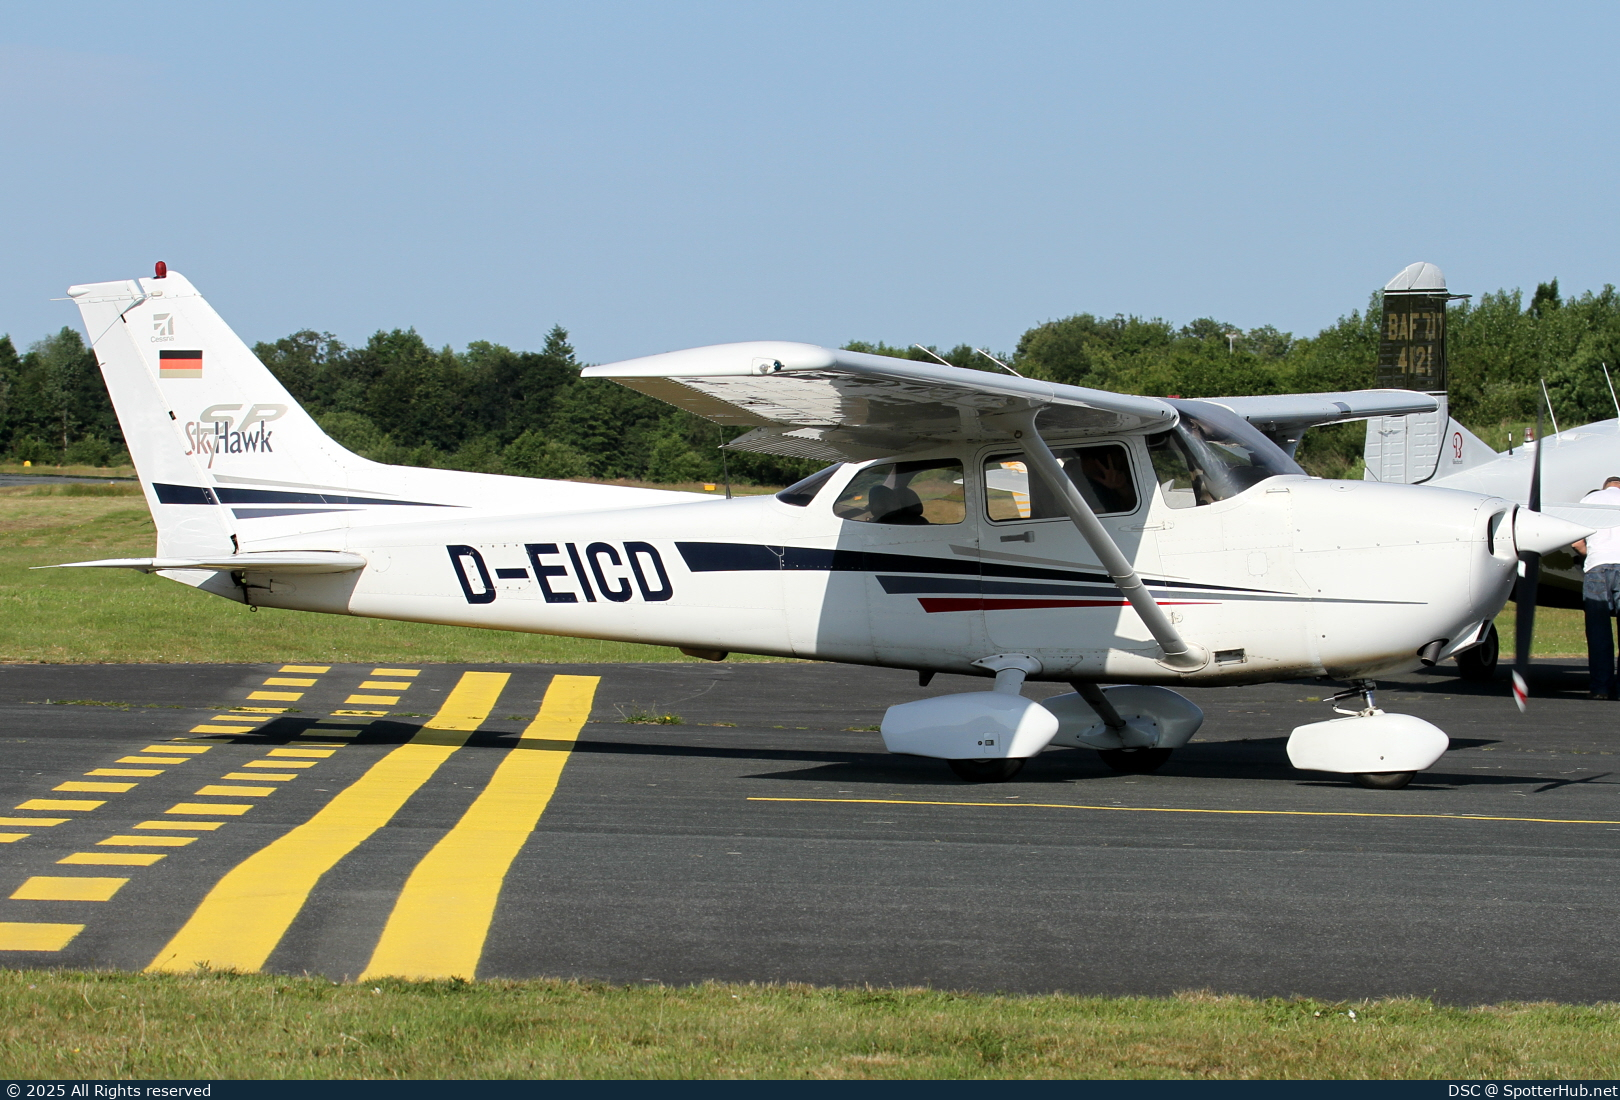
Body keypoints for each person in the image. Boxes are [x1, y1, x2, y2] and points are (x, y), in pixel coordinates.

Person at [1573, 476, 1620, 700]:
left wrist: (1590, 554)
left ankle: (1601, 688)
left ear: (1605, 487)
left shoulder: (1590, 500)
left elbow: (1576, 542)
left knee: (1598, 631)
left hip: (1597, 566)